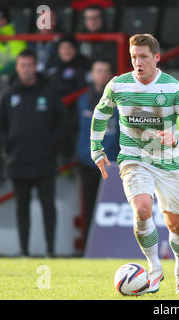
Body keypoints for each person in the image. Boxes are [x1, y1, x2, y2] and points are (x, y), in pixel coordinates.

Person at [90, 33, 179, 294]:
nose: (138, 62)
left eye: (143, 57)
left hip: (167, 161)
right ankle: (154, 268)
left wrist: (178, 136)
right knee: (141, 209)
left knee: (178, 226)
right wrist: (96, 149)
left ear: (157, 58)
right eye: (133, 57)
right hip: (133, 158)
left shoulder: (173, 87)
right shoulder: (118, 85)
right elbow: (100, 114)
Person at [0, 49, 67, 257]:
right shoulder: (8, 95)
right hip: (18, 161)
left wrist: (52, 144)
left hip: (45, 160)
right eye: (22, 65)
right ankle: (24, 250)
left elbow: (62, 122)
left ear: (35, 67)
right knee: (21, 208)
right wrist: (7, 146)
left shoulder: (49, 93)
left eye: (29, 65)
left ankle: (50, 250)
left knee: (48, 207)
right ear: (17, 68)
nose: (26, 69)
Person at [76, 59, 119, 244]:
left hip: (113, 164)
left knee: (113, 209)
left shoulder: (119, 102)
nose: (101, 75)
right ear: (92, 75)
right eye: (98, 71)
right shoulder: (83, 101)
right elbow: (76, 129)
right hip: (88, 161)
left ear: (110, 75)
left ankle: (112, 245)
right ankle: (89, 246)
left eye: (105, 71)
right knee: (89, 205)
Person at [79, 5, 117, 70]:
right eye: (88, 18)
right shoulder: (78, 39)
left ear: (103, 19)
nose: (92, 22)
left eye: (96, 18)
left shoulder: (112, 39)